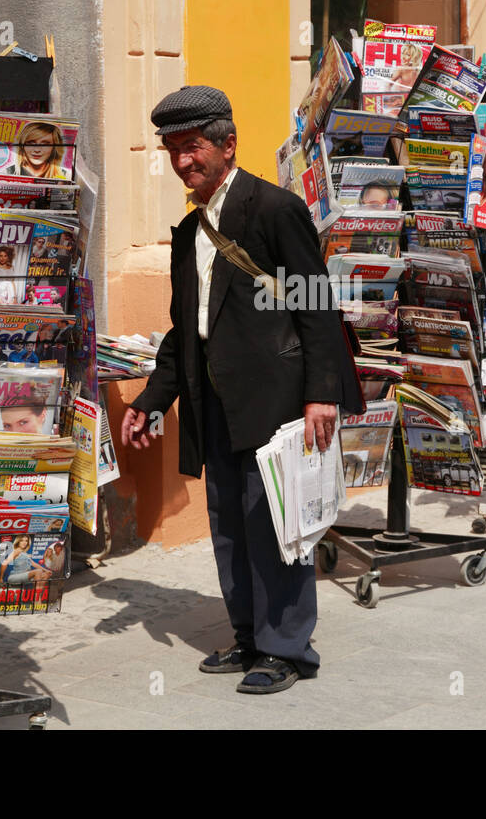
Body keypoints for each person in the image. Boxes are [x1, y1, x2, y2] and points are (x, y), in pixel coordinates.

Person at [121, 85, 363, 695]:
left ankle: (287, 648)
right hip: (214, 398)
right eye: (173, 150)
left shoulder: (274, 209)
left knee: (275, 522)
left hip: (276, 397)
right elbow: (187, 328)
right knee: (230, 522)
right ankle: (250, 635)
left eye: (193, 147)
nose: (183, 161)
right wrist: (152, 401)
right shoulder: (188, 229)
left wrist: (321, 394)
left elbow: (316, 306)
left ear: (229, 145)